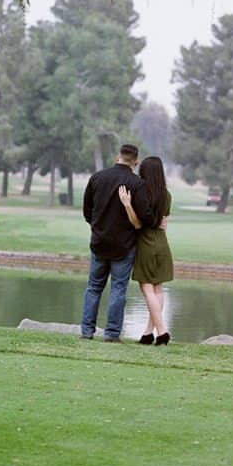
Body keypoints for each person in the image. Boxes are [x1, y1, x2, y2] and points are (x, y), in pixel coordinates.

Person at [80, 144, 156, 342]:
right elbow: (146, 217)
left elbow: (87, 211)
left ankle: (87, 331)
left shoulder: (97, 178)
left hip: (99, 242)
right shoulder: (137, 184)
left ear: (117, 157)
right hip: (124, 245)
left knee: (94, 287)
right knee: (118, 289)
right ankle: (112, 334)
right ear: (135, 162)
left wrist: (97, 227)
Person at [118, 156, 173, 346]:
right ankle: (149, 333)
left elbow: (139, 223)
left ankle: (163, 330)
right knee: (157, 288)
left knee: (146, 288)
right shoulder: (166, 195)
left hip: (146, 244)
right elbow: (165, 219)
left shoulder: (142, 193)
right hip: (163, 244)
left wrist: (127, 204)